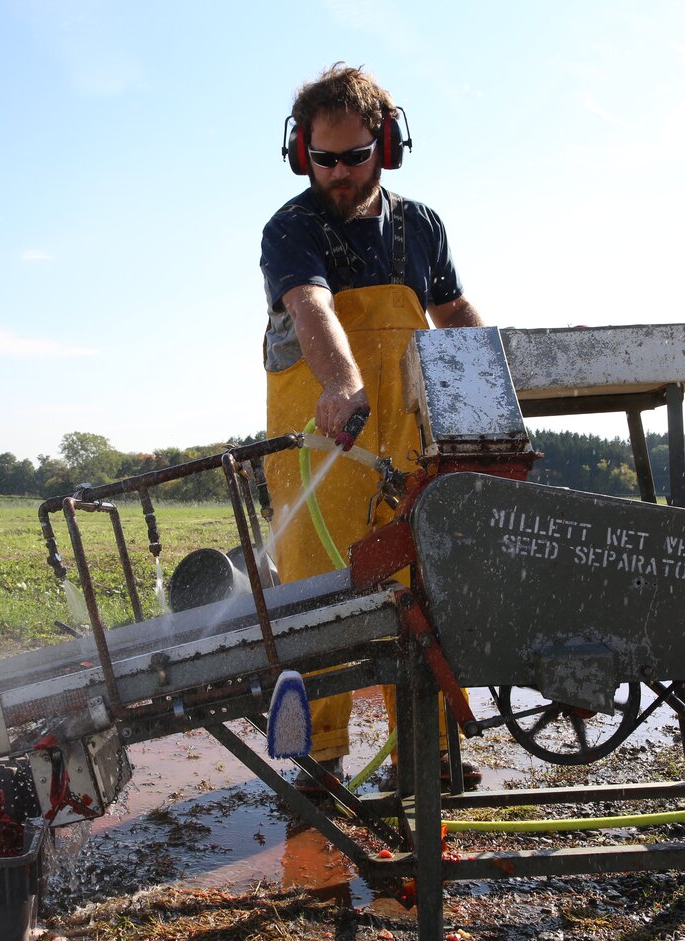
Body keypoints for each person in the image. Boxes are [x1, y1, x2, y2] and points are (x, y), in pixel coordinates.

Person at [259, 63, 483, 793]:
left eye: (355, 156)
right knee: (316, 604)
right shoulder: (291, 229)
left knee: (421, 595)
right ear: (302, 153)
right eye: (324, 159)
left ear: (385, 146)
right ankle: (318, 762)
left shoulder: (421, 227)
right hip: (320, 448)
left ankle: (428, 752)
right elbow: (311, 308)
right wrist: (343, 383)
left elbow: (452, 318)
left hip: (408, 448)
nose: (340, 173)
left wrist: (497, 392)